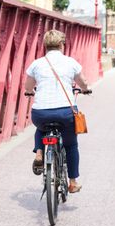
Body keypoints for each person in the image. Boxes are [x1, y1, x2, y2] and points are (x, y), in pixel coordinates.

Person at [24, 29, 89, 193]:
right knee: (71, 145)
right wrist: (86, 89)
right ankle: (73, 182)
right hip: (65, 112)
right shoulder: (70, 62)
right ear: (61, 44)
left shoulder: (36, 63)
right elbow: (83, 82)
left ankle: (39, 152)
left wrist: (30, 92)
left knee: (41, 128)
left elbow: (28, 87)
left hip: (40, 113)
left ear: (45, 46)